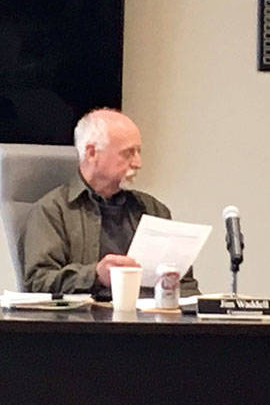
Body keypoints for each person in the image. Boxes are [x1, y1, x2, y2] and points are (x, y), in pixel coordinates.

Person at [22, 108, 199, 297]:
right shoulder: (53, 210)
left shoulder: (153, 210)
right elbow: (38, 281)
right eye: (128, 153)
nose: (138, 163)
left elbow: (185, 284)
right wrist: (97, 275)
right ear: (91, 153)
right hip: (84, 323)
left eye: (139, 152)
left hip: (150, 321)